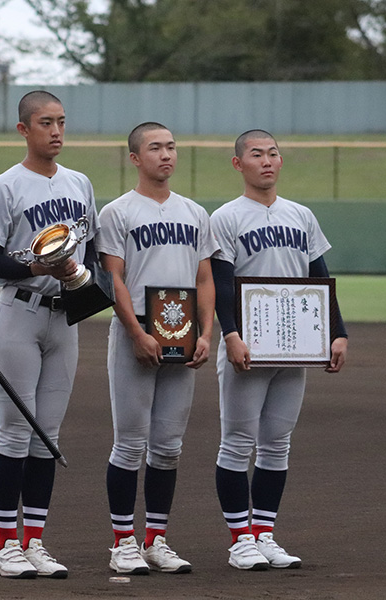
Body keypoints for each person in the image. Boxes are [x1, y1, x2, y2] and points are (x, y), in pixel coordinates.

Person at [210, 129, 348, 570]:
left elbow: (319, 277)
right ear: (238, 164)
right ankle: (240, 539)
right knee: (236, 443)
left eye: (273, 154)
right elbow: (220, 283)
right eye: (256, 154)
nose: (266, 161)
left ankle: (264, 532)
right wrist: (230, 333)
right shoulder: (226, 217)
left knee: (277, 444)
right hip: (247, 346)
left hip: (294, 345)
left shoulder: (301, 216)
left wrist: (336, 332)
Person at [0, 90, 98, 579]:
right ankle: (6, 545)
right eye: (46, 122)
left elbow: (88, 252)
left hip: (62, 314)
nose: (56, 131)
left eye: (62, 122)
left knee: (47, 436)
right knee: (15, 432)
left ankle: (35, 542)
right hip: (18, 314)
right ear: (23, 129)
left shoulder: (81, 183)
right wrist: (38, 263)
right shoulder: (4, 186)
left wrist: (75, 274)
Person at [96, 122, 218, 575]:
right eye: (154, 148)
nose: (165, 155)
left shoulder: (194, 213)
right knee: (129, 444)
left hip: (184, 333)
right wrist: (134, 332)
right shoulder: (118, 212)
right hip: (139, 332)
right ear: (134, 158)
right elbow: (115, 278)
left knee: (167, 446)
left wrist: (206, 334)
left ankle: (156, 540)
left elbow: (204, 278)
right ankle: (123, 541)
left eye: (170, 147)